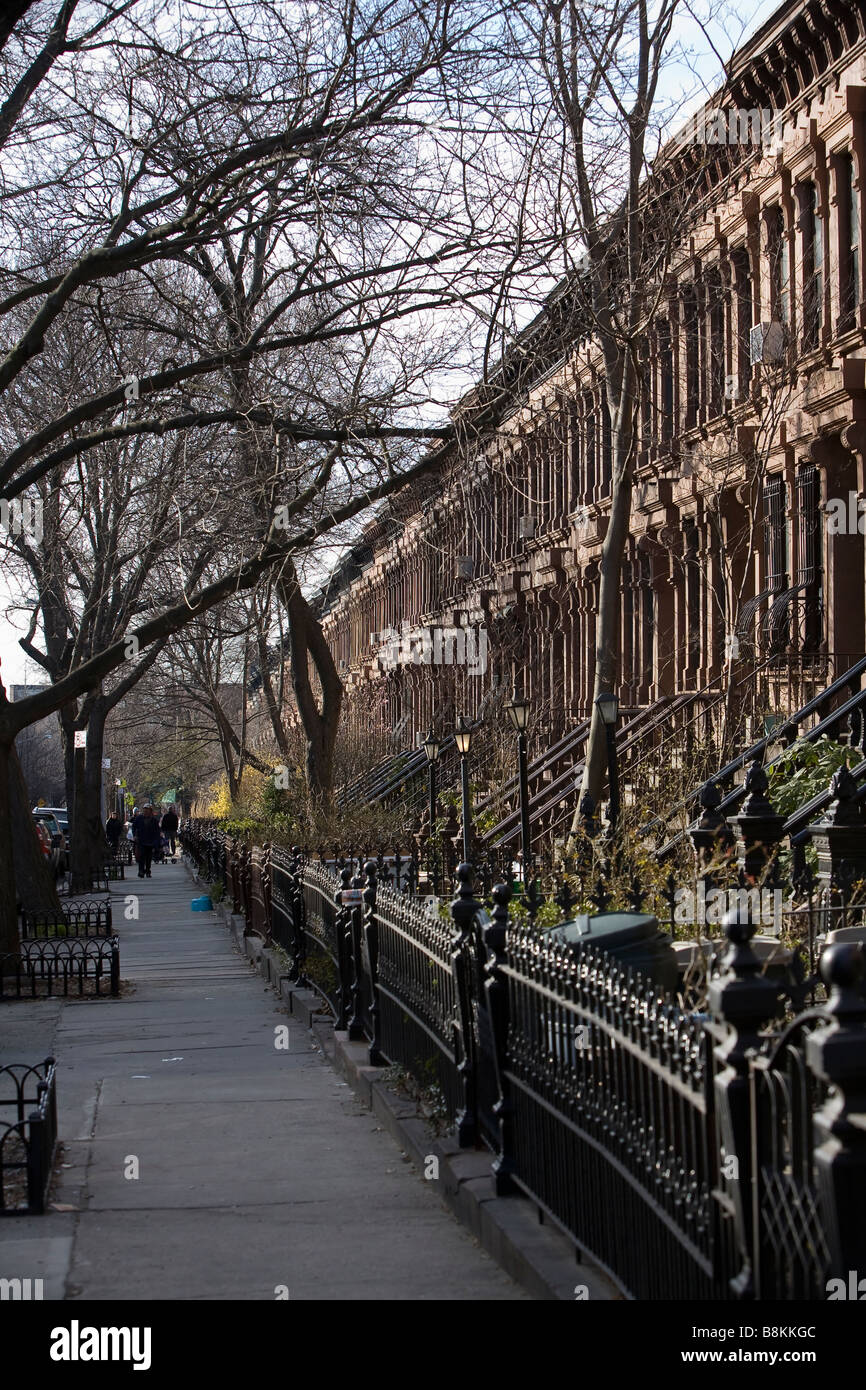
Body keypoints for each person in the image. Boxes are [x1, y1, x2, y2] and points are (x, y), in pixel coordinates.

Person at [132, 805, 161, 878]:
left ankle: (148, 871)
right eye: (145, 810)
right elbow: (134, 826)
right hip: (141, 840)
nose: (146, 811)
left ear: (150, 811)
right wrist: (134, 835)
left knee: (148, 857)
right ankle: (141, 871)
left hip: (150, 841)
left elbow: (157, 831)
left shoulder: (154, 820)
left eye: (148, 810)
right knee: (141, 857)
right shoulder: (139, 818)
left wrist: (156, 841)